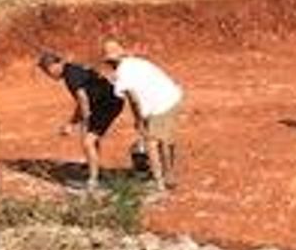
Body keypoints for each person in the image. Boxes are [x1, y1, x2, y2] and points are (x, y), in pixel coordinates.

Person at [102, 38, 185, 190]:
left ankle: (159, 182)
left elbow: (133, 100)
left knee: (150, 142)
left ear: (111, 62)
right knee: (164, 139)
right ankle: (169, 175)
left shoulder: (122, 74)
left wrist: (139, 121)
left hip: (160, 104)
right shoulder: (136, 62)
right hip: (172, 96)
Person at [36, 48, 122, 190]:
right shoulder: (71, 69)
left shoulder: (71, 76)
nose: (48, 76)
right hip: (106, 101)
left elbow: (82, 99)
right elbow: (82, 99)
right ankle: (94, 168)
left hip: (107, 104)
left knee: (88, 141)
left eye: (47, 72)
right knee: (91, 138)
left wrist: (83, 118)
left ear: (54, 66)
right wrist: (75, 121)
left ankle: (93, 181)